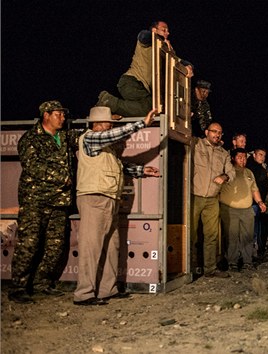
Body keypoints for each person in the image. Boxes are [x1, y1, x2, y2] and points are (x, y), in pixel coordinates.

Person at [73, 107, 160, 306]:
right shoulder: (90, 138)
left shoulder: (106, 148)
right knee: (91, 248)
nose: (110, 126)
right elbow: (115, 134)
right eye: (106, 123)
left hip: (109, 198)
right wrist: (142, 124)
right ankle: (84, 294)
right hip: (94, 198)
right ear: (96, 124)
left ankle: (107, 289)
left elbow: (119, 166)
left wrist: (141, 170)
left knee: (112, 246)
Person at [9, 101, 82, 304]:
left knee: (55, 246)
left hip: (59, 202)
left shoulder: (65, 137)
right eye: (59, 114)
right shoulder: (30, 139)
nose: (63, 118)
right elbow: (33, 166)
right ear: (46, 115)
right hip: (36, 201)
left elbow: (86, 138)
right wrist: (62, 177)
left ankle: (42, 284)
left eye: (63, 114)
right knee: (29, 244)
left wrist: (104, 122)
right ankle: (18, 288)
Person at [97, 20, 193, 117]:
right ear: (154, 30)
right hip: (131, 81)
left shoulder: (165, 48)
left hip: (143, 88)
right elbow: (143, 36)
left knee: (156, 106)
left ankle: (115, 110)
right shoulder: (148, 42)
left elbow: (181, 62)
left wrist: (189, 68)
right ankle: (108, 100)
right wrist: (160, 39)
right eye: (164, 30)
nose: (167, 33)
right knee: (151, 107)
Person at [191, 122, 235, 278]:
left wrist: (224, 176)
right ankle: (190, 268)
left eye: (220, 132)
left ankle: (209, 269)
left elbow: (232, 172)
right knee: (191, 234)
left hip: (212, 199)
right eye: (214, 131)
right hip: (194, 196)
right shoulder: (196, 144)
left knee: (211, 235)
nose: (217, 134)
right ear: (206, 132)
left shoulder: (223, 153)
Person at [219, 148, 266, 271]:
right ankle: (232, 262)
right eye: (240, 157)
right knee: (232, 236)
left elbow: (254, 189)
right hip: (230, 209)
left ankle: (247, 262)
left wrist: (260, 202)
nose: (243, 160)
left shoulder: (249, 173)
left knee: (248, 236)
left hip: (247, 209)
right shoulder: (228, 171)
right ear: (233, 158)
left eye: (244, 157)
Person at [246, 148, 268, 258]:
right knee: (250, 229)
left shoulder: (262, 169)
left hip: (259, 203)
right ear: (254, 155)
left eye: (264, 155)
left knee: (257, 228)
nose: (262, 157)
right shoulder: (248, 168)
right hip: (249, 203)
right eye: (260, 154)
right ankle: (248, 253)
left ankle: (255, 251)